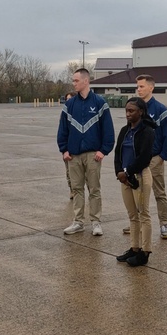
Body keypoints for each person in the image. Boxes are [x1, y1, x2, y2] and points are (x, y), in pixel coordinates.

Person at [57, 68, 114, 236]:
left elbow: (108, 130)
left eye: (76, 81)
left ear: (86, 81)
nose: (73, 83)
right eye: (73, 81)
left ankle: (96, 222)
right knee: (77, 189)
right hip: (73, 155)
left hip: (93, 155)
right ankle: (78, 222)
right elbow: (62, 129)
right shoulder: (69, 105)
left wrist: (104, 150)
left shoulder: (99, 103)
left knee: (94, 189)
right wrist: (64, 149)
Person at [122, 75, 167, 239]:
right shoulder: (134, 109)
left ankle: (164, 225)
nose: (139, 89)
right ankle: (136, 223)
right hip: (137, 159)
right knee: (136, 192)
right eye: (137, 86)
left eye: (142, 86)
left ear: (151, 87)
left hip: (154, 159)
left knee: (159, 192)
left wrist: (162, 156)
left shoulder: (161, 110)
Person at [114, 97, 158, 267]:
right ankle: (134, 247)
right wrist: (119, 172)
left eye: (131, 111)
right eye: (126, 110)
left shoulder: (147, 131)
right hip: (125, 179)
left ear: (141, 112)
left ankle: (145, 251)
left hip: (139, 176)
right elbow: (118, 152)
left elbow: (144, 157)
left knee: (143, 214)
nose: (128, 114)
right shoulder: (125, 130)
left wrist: (127, 172)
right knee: (132, 215)